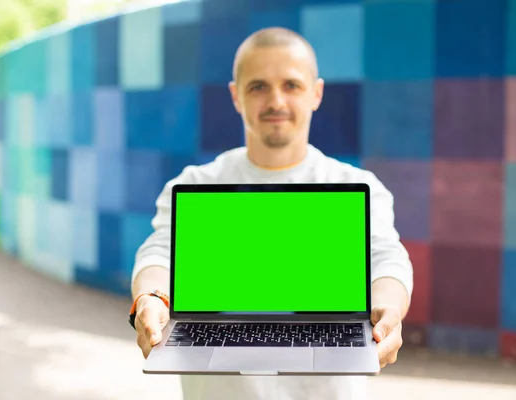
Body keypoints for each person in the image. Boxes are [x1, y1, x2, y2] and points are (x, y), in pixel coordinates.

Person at [129, 27, 414, 400]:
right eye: (258, 86)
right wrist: (150, 298)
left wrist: (389, 309)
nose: (276, 100)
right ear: (236, 96)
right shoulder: (196, 185)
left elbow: (388, 260)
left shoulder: (357, 185)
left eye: (292, 85)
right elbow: (159, 253)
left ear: (316, 93)